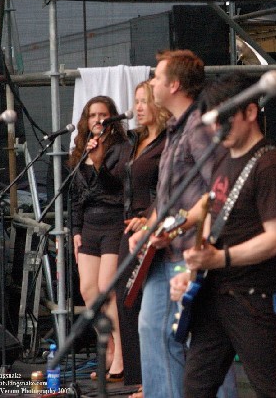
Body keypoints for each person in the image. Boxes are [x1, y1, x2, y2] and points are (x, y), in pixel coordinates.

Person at [169, 72, 276, 398]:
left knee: (269, 388)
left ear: (250, 112)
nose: (216, 127)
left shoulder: (270, 164)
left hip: (251, 297)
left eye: (224, 116)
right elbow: (212, 217)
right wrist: (192, 271)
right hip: (213, 292)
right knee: (196, 387)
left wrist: (220, 258)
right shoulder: (223, 159)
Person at [128, 50, 235, 398]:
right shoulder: (174, 130)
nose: (153, 83)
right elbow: (166, 197)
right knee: (152, 330)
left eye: (158, 77)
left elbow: (220, 191)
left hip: (191, 252)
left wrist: (173, 228)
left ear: (174, 84)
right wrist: (148, 229)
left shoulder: (199, 126)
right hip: (166, 251)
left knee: (202, 339)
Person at [115, 80, 170, 397]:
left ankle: (149, 382)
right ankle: (140, 378)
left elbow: (167, 189)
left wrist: (148, 217)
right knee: (126, 299)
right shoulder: (137, 141)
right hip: (128, 225)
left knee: (142, 301)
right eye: (135, 100)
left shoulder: (165, 144)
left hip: (149, 226)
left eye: (143, 101)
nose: (136, 107)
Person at [69, 95, 128, 381]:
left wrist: (98, 162)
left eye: (103, 115)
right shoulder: (80, 150)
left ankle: (121, 355)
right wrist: (75, 231)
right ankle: (110, 343)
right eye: (92, 115)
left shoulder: (122, 149)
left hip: (114, 222)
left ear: (113, 119)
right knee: (89, 290)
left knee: (107, 288)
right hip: (89, 226)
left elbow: (117, 187)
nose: (97, 120)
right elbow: (76, 196)